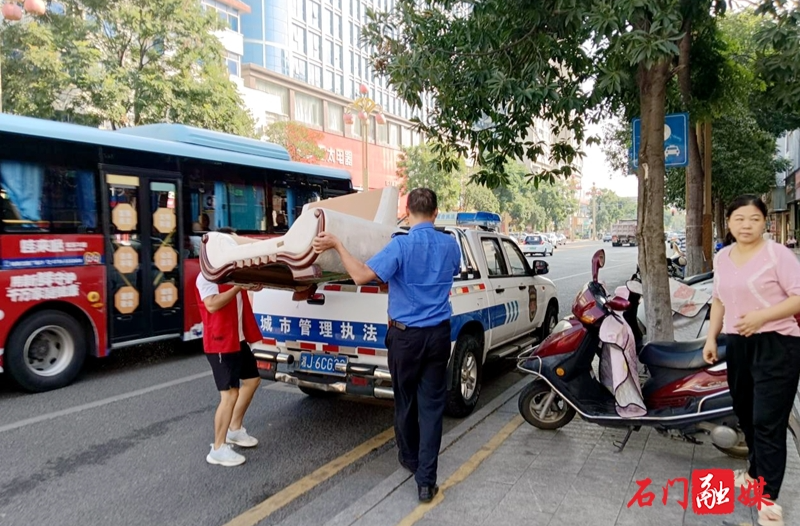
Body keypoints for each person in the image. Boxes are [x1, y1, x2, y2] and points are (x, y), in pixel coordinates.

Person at [311, 188, 461, 503]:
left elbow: (362, 276)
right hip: (438, 336)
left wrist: (338, 244)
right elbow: (445, 275)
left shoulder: (400, 246)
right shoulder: (450, 245)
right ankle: (426, 481)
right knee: (432, 408)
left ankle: (409, 458)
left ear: (406, 211)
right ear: (435, 213)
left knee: (405, 400)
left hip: (405, 338)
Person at [703, 195, 800, 526]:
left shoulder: (778, 255)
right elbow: (718, 299)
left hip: (778, 345)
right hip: (738, 344)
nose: (746, 225)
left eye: (754, 219)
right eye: (740, 219)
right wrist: (712, 337)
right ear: (728, 222)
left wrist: (762, 317)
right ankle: (754, 475)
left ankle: (769, 503)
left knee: (767, 422)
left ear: (765, 223)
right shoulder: (723, 256)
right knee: (746, 412)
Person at [196, 226, 263, 467]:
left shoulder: (231, 272)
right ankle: (218, 448)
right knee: (229, 394)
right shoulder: (206, 276)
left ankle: (235, 428)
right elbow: (212, 305)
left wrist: (252, 285)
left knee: (253, 379)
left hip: (238, 339)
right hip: (220, 343)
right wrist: (238, 287)